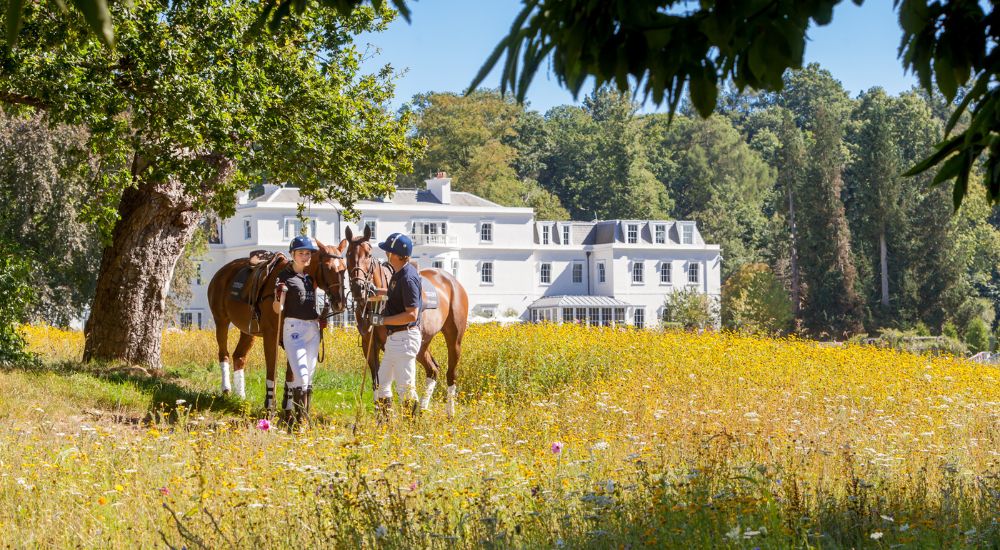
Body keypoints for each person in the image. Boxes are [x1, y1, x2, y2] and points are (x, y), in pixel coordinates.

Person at [371, 232, 422, 420]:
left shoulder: (408, 278)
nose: (386, 255)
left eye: (388, 252)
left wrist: (382, 321)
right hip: (394, 339)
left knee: (405, 388)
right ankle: (385, 422)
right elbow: (395, 295)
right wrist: (378, 291)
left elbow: (411, 314)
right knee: (382, 383)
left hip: (405, 337)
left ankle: (412, 428)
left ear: (396, 255)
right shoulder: (398, 274)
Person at [274, 235, 322, 425]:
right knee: (301, 374)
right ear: (292, 254)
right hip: (294, 329)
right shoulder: (284, 277)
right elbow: (277, 310)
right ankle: (300, 423)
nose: (305, 256)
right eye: (301, 253)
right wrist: (279, 296)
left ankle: (302, 419)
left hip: (313, 329)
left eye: (308, 253)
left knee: (308, 376)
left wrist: (320, 318)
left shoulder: (310, 279)